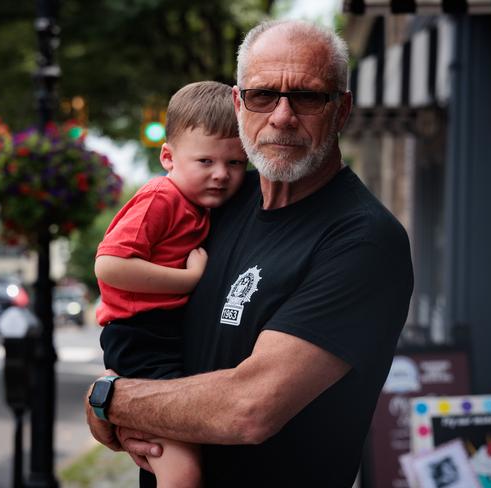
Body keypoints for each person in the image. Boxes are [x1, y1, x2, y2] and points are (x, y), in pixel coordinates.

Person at [86, 19, 414, 488]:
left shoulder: (362, 240)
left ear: (341, 110)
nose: (281, 115)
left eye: (307, 96)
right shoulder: (217, 204)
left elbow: (249, 409)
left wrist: (108, 399)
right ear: (239, 104)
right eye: (262, 95)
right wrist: (116, 400)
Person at [93, 81, 247, 488]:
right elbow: (110, 265)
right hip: (141, 335)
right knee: (181, 468)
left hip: (161, 334)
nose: (221, 174)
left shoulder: (201, 206)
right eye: (205, 161)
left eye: (235, 163)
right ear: (168, 156)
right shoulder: (160, 198)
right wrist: (189, 278)